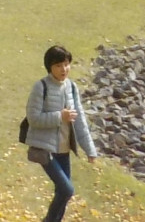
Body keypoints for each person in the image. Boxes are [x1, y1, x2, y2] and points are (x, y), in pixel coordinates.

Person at [23, 44, 99, 222]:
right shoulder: (41, 87)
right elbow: (33, 118)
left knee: (62, 193)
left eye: (66, 64)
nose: (63, 69)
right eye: (58, 65)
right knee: (67, 189)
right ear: (50, 67)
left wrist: (90, 150)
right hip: (46, 150)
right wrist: (60, 116)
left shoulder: (72, 87)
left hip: (64, 150)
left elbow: (79, 121)